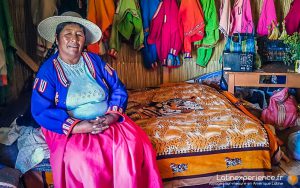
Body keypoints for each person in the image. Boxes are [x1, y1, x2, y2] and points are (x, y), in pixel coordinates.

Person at [31, 11, 163, 188]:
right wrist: (79, 126)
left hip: (107, 121)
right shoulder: (48, 71)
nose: (74, 39)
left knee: (132, 145)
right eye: (67, 34)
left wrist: (111, 116)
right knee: (81, 159)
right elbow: (41, 110)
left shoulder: (94, 61)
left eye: (79, 34)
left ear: (84, 39)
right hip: (73, 128)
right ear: (57, 38)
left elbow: (118, 87)